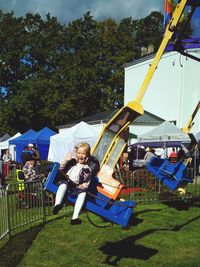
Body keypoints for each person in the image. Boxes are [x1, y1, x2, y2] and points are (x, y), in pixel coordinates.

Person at [52, 142, 100, 225]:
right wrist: (66, 160)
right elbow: (61, 168)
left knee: (83, 193)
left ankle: (75, 217)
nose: (80, 155)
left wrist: (84, 185)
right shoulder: (72, 162)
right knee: (63, 185)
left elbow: (86, 181)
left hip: (75, 187)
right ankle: (57, 205)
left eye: (83, 154)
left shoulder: (86, 168)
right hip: (66, 182)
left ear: (87, 156)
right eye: (79, 153)